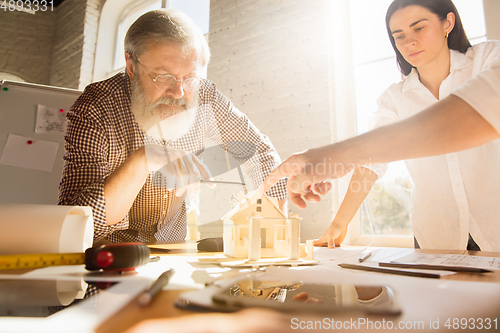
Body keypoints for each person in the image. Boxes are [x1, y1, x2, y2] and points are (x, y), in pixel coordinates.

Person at [263, 0, 500, 252]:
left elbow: (482, 108)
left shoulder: (486, 59)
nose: (409, 42)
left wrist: (336, 155)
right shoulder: (393, 98)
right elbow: (370, 164)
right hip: (437, 237)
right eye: (399, 36)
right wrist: (339, 224)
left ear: (447, 23)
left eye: (418, 28)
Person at [58, 9, 287, 244]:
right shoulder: (96, 107)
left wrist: (274, 229)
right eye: (163, 76)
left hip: (174, 250)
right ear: (131, 66)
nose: (179, 92)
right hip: (107, 257)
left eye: (190, 78)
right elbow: (74, 224)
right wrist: (141, 161)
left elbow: (259, 150)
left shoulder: (205, 96)